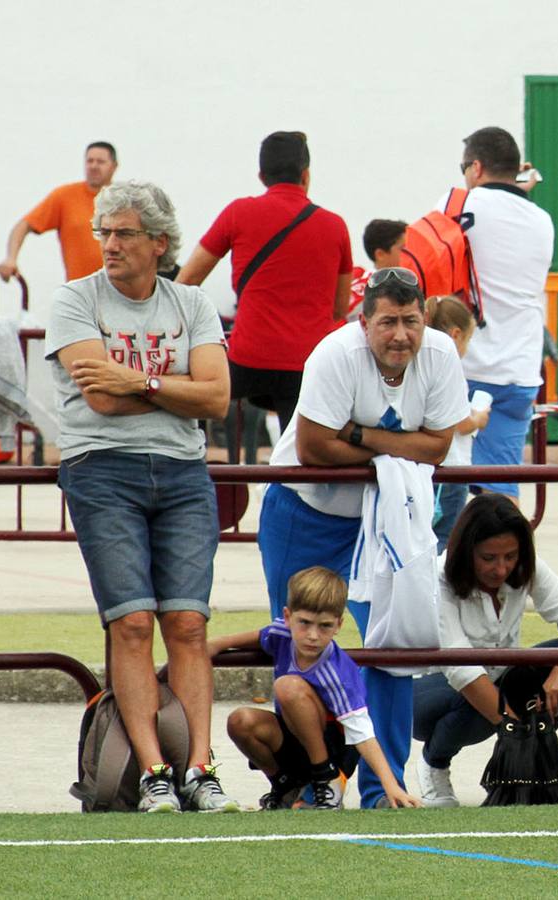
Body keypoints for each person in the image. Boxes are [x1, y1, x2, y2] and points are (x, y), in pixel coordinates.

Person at [46, 180, 233, 813]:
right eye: (104, 232)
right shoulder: (75, 299)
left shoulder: (192, 304)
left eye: (123, 233)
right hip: (100, 468)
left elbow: (217, 398)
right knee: (129, 623)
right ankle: (154, 772)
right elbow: (98, 397)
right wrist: (172, 383)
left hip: (183, 471)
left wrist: (136, 378)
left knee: (187, 621)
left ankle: (200, 769)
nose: (109, 244)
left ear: (160, 243)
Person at [256, 268, 468, 808]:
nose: (401, 335)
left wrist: (359, 436)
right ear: (363, 321)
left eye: (411, 321)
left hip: (384, 517)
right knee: (300, 646)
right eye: (388, 322)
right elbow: (312, 449)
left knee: (391, 647)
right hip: (303, 513)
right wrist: (397, 447)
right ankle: (308, 783)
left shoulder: (442, 355)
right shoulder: (334, 354)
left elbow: (439, 446)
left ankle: (385, 791)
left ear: (426, 318)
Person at [414, 493, 558, 807]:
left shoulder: (528, 566)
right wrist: (512, 728)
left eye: (510, 556)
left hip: (497, 683)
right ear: (466, 551)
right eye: (488, 557)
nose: (501, 568)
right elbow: (460, 668)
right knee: (470, 694)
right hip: (430, 694)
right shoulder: (437, 577)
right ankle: (435, 764)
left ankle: (520, 760)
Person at [178, 131, 353, 429]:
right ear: (306, 175)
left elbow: (186, 281)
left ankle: (195, 464)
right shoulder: (335, 227)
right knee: (297, 459)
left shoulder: (238, 213)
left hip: (247, 357)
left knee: (191, 400)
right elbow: (339, 308)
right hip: (307, 364)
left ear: (261, 176)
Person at [213, 567, 422, 810]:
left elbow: (363, 733)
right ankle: (285, 786)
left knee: (287, 686)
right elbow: (260, 636)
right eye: (304, 623)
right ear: (288, 617)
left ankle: (327, 780)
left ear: (339, 625)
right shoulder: (283, 633)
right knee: (240, 721)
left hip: (335, 750)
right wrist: (215, 645)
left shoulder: (338, 672)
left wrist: (391, 786)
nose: (313, 635)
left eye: (324, 626)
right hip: (294, 738)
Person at [449, 126, 555, 499]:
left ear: (476, 167)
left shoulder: (459, 205)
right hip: (519, 368)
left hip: (465, 364)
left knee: (444, 489)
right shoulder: (543, 220)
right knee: (498, 488)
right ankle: (510, 556)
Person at [0, 141, 116, 282]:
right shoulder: (65, 197)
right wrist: (11, 259)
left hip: (121, 291)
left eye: (100, 162)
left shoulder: (125, 200)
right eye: (89, 161)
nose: (93, 166)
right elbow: (23, 226)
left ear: (114, 166)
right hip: (79, 293)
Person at [427, 296, 489, 552]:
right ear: (455, 335)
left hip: (430, 465)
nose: (467, 347)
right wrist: (478, 418)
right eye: (469, 339)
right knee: (446, 538)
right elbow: (461, 423)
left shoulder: (425, 364)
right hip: (452, 466)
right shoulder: (449, 367)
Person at [348, 218, 409, 315]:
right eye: (404, 249)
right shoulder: (363, 293)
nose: (411, 254)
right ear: (380, 254)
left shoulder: (412, 284)